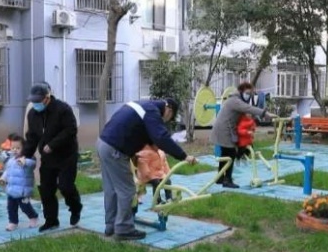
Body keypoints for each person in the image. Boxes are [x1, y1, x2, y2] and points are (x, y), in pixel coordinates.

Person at [97, 98, 197, 241]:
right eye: (169, 118)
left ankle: (110, 226)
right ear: (169, 110)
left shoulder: (144, 105)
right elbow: (161, 137)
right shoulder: (152, 111)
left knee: (111, 189)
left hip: (103, 143)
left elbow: (145, 136)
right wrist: (184, 156)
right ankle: (124, 229)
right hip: (115, 149)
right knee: (127, 190)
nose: (165, 122)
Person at [23, 83, 82, 232]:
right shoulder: (33, 114)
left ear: (47, 97)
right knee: (46, 189)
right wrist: (24, 156)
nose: (35, 104)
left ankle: (75, 207)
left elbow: (71, 130)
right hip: (48, 157)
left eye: (38, 100)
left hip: (66, 155)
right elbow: (32, 138)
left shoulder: (63, 109)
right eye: (33, 100)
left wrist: (53, 144)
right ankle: (51, 221)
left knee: (65, 186)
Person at [211, 82, 277, 189]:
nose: (248, 95)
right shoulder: (235, 101)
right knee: (230, 154)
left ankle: (220, 177)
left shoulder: (235, 99)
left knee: (225, 154)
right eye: (247, 93)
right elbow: (248, 108)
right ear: (241, 91)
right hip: (224, 129)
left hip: (223, 128)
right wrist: (265, 113)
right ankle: (227, 180)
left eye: (250, 94)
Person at [0, 135, 40, 231]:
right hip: (11, 190)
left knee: (25, 207)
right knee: (11, 208)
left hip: (22, 191)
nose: (15, 150)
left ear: (24, 148)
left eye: (18, 148)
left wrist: (25, 162)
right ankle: (13, 222)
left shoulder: (27, 159)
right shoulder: (10, 161)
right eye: (13, 148)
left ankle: (33, 217)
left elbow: (32, 164)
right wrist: (3, 178)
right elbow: (7, 172)